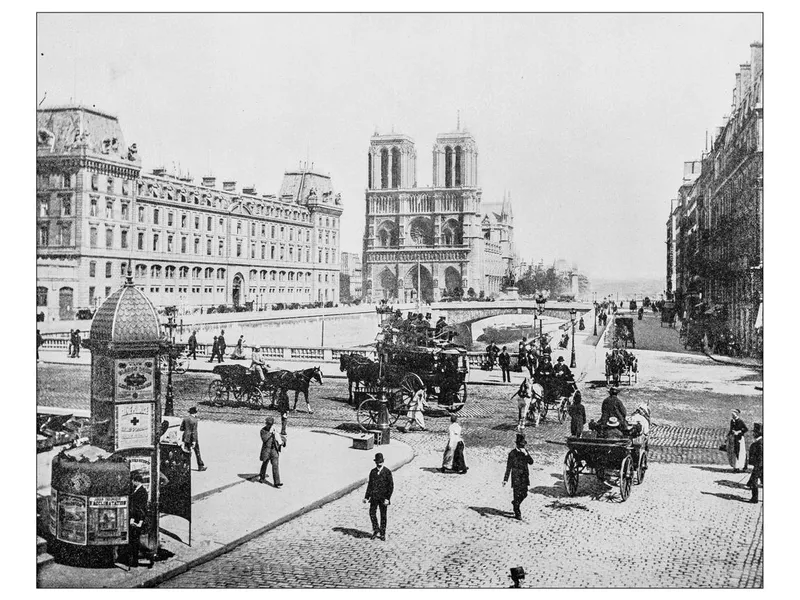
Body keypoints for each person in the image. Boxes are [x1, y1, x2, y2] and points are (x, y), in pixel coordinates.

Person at [363, 452, 394, 540]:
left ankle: (383, 533)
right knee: (372, 513)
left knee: (383, 515)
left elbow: (390, 486)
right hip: (374, 497)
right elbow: (370, 485)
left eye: (381, 461)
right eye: (378, 462)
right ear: (375, 462)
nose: (379, 463)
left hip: (383, 498)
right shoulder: (373, 472)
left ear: (383, 462)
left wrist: (388, 498)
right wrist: (366, 497)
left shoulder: (387, 472)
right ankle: (376, 529)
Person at [503, 433, 533, 520]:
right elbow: (508, 467)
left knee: (524, 493)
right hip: (516, 477)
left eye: (523, 445)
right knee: (516, 495)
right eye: (521, 445)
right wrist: (505, 479)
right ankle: (517, 512)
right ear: (517, 444)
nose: (522, 447)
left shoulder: (525, 452)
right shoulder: (512, 454)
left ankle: (515, 503)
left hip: (524, 476)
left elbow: (531, 462)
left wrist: (526, 455)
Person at [128, 471, 153, 568]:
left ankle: (141, 559)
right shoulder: (138, 490)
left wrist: (135, 520)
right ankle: (135, 560)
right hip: (137, 519)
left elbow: (139, 508)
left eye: (133, 481)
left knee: (136, 541)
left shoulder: (141, 492)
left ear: (136, 481)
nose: (132, 483)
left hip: (138, 520)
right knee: (136, 541)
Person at [258, 416, 285, 487]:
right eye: (268, 424)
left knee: (275, 465)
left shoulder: (274, 430)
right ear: (266, 423)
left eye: (270, 424)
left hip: (274, 450)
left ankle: (277, 482)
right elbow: (264, 439)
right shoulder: (263, 430)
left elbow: (280, 437)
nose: (269, 425)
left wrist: (283, 442)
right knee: (264, 464)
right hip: (266, 450)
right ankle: (262, 477)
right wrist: (270, 433)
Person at [180, 406, 207, 471]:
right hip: (192, 438)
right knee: (197, 451)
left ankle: (185, 466)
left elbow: (181, 428)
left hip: (186, 437)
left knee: (186, 451)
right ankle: (200, 466)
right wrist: (194, 441)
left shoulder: (185, 418)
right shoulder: (195, 420)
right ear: (195, 413)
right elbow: (194, 431)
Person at [747, 423, 762, 503]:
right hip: (760, 465)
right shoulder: (760, 441)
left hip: (759, 465)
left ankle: (754, 498)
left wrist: (756, 465)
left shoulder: (759, 443)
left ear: (757, 433)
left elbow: (760, 456)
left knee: (754, 481)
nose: (752, 434)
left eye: (754, 432)